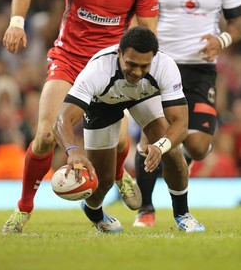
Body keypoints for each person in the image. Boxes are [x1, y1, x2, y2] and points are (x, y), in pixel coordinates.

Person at [1, 0, 159, 234]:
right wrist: (16, 23)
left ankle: (117, 175)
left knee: (115, 143)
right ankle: (23, 209)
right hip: (68, 60)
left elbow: (149, 33)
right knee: (45, 137)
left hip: (110, 68)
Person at [133, 0, 241, 227]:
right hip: (160, 68)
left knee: (196, 146)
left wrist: (222, 39)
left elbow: (238, 21)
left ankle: (176, 164)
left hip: (201, 70)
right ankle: (146, 210)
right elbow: (137, 15)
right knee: (151, 138)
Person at [53, 26, 204, 233]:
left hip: (143, 96)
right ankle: (94, 213)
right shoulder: (97, 70)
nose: (137, 72)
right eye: (131, 64)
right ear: (119, 53)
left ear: (154, 59)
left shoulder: (165, 66)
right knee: (103, 181)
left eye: (144, 66)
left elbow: (181, 123)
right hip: (103, 104)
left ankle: (182, 214)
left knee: (173, 152)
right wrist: (73, 151)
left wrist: (160, 147)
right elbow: (62, 120)